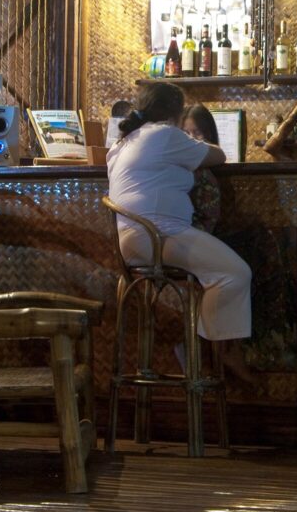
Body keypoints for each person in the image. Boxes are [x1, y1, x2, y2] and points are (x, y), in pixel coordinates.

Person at [106, 82, 254, 381]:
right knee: (236, 272)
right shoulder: (164, 135)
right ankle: (206, 349)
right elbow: (218, 156)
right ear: (174, 112)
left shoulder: (120, 144)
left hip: (133, 243)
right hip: (160, 237)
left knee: (221, 273)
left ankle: (206, 347)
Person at [181, 105, 221, 233]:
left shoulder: (206, 169)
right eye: (186, 133)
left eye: (197, 132)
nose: (191, 139)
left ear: (209, 132)